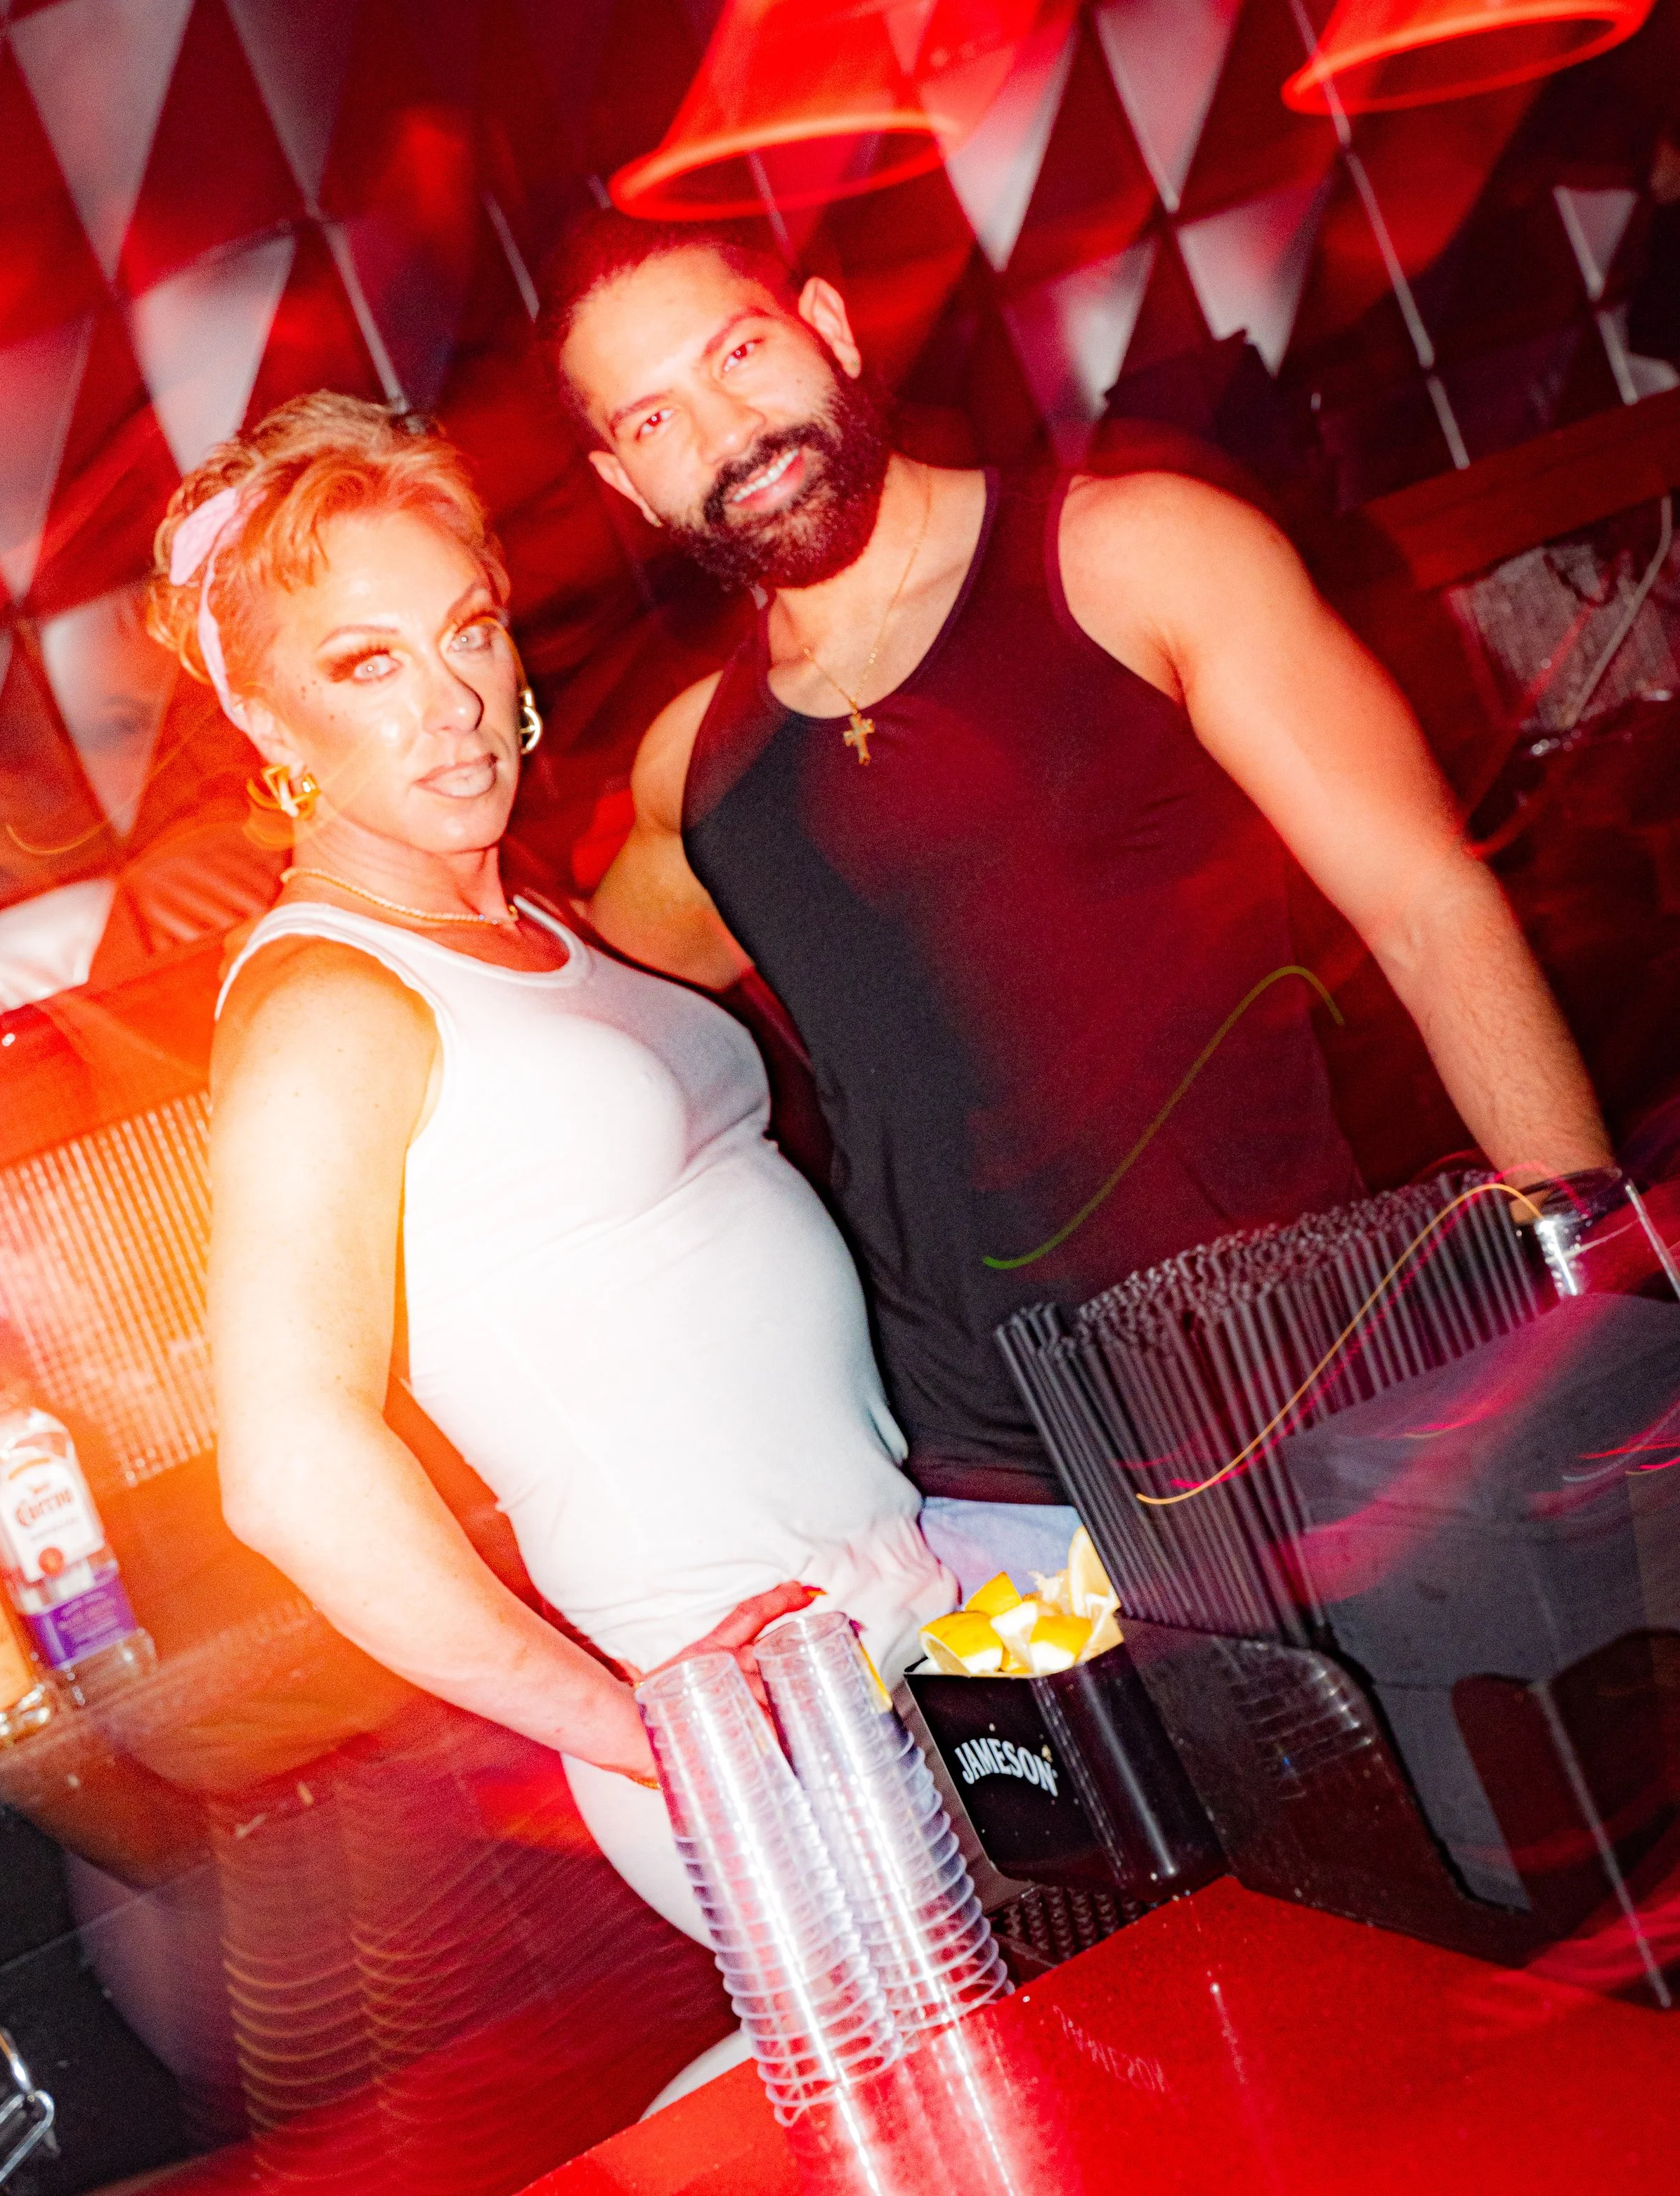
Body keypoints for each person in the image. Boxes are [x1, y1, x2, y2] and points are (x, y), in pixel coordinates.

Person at [547, 211, 1615, 1578]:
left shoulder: (1131, 557)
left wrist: (1581, 1263)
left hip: (1321, 1393)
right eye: (652, 419)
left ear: (828, 319)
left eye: (739, 350)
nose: (726, 430)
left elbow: (1425, 910)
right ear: (621, 480)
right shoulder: (694, 772)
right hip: (988, 1487)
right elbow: (591, 1029)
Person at [154, 392, 954, 1949]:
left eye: (467, 631)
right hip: (751, 1707)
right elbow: (290, 1472)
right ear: (263, 717)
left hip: (891, 1606)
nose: (448, 702)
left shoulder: (530, 925)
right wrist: (652, 1731)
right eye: (364, 664)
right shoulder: (326, 1003)